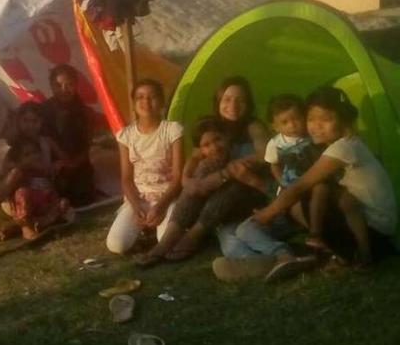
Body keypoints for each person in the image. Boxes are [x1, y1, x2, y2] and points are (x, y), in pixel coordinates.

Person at [254, 87, 398, 266]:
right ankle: (328, 250)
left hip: (374, 233)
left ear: (344, 120)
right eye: (311, 119)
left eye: (326, 119)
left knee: (304, 197)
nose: (316, 126)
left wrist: (266, 214)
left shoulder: (342, 148)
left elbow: (301, 185)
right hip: (376, 228)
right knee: (317, 196)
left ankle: (335, 252)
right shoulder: (347, 143)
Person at [173, 77, 274, 257]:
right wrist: (186, 179)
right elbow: (195, 156)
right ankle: (173, 236)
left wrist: (228, 170)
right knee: (230, 246)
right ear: (218, 101)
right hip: (220, 201)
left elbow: (264, 154)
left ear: (248, 103)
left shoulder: (253, 126)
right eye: (227, 99)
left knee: (231, 185)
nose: (233, 105)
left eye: (240, 100)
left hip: (249, 191)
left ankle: (194, 235)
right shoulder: (214, 126)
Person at [105, 79, 183, 255]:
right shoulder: (126, 135)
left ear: (162, 102)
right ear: (133, 104)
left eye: (152, 97)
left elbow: (178, 177)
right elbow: (126, 178)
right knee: (116, 245)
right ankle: (144, 229)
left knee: (166, 243)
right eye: (140, 97)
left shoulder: (172, 130)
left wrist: (161, 205)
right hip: (139, 199)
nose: (146, 102)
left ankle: (158, 229)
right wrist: (136, 205)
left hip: (167, 197)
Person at [0, 102, 66, 231]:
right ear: (19, 122)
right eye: (26, 121)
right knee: (16, 174)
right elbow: (6, 171)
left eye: (34, 121)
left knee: (64, 204)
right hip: (21, 197)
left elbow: (65, 159)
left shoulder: (46, 142)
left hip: (43, 194)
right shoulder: (14, 144)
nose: (30, 126)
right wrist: (25, 165)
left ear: (41, 122)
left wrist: (58, 164)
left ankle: (25, 225)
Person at [263, 94, 326, 243]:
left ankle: (318, 228)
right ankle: (306, 229)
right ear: (275, 126)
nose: (292, 125)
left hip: (313, 178)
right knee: (290, 205)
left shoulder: (312, 136)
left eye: (296, 119)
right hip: (290, 182)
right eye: (285, 122)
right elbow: (274, 164)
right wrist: (281, 181)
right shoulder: (276, 143)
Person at [0, 137, 72, 240]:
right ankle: (26, 227)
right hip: (27, 209)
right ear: (20, 160)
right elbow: (6, 186)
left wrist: (58, 165)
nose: (33, 157)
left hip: (45, 209)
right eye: (27, 155)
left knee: (64, 203)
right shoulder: (21, 173)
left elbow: (65, 165)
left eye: (35, 153)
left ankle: (35, 224)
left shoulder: (46, 170)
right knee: (24, 193)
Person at [40, 64, 97, 207]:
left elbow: (87, 145)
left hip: (77, 164)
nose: (63, 90)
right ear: (51, 86)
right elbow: (40, 140)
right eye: (58, 85)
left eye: (69, 85)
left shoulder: (85, 112)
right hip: (50, 166)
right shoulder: (42, 111)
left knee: (81, 200)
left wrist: (72, 163)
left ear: (76, 85)